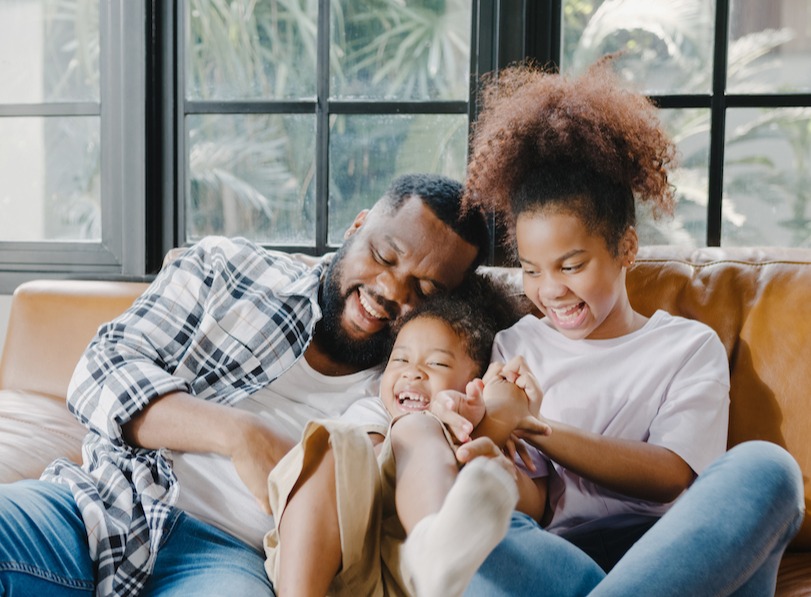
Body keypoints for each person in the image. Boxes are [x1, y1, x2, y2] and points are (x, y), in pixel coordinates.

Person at [0, 173, 491, 597]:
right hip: (101, 503)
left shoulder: (408, 388)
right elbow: (100, 370)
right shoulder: (229, 269)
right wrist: (240, 435)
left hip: (230, 558)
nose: (389, 291)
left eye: (423, 292)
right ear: (357, 225)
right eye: (384, 256)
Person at [451, 59, 806, 597]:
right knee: (469, 520)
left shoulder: (687, 347)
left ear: (626, 248)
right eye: (530, 270)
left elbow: (670, 475)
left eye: (571, 266)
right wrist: (488, 458)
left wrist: (536, 424)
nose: (550, 291)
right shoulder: (516, 346)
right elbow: (535, 502)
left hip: (681, 559)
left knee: (769, 469)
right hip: (561, 567)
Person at [264, 276, 541, 597]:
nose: (412, 372)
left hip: (406, 577)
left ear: (474, 382)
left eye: (437, 362)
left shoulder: (481, 431)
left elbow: (533, 509)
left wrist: (486, 439)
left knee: (421, 429)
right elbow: (363, 466)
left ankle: (437, 550)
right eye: (400, 359)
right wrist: (434, 430)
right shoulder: (375, 411)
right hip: (328, 558)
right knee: (331, 443)